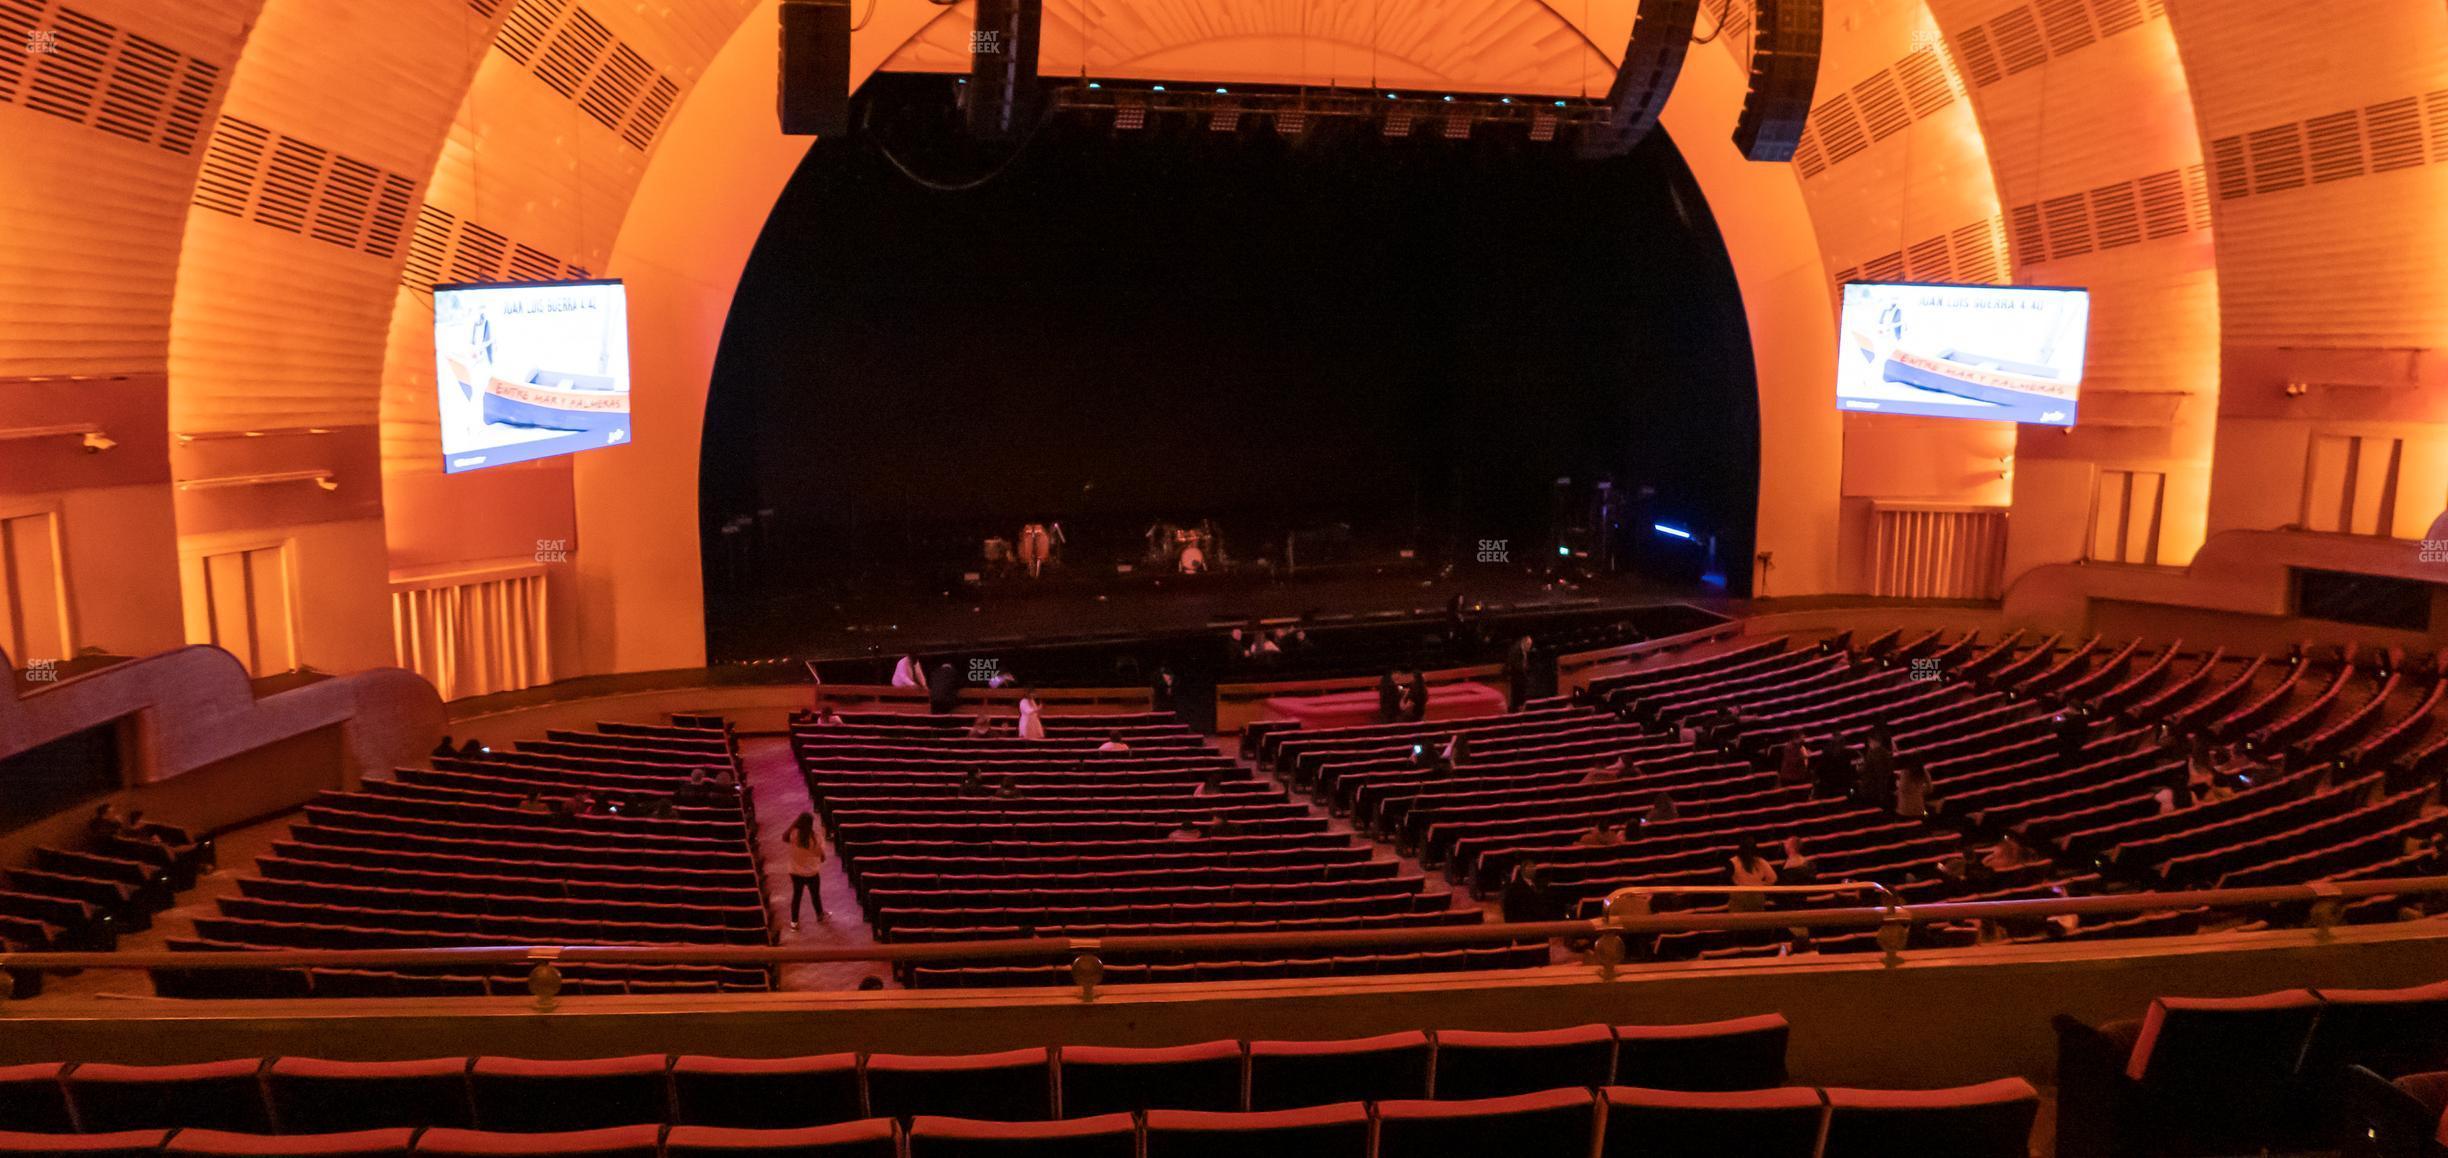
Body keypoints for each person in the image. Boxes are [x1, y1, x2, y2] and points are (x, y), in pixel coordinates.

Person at [783, 812, 827, 930]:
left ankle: (794, 922)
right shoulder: (814, 838)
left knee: (796, 897)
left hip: (795, 871)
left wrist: (794, 824)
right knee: (815, 895)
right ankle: (819, 915)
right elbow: (822, 857)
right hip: (811, 872)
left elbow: (785, 837)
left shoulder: (792, 834)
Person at [1728, 837, 1778, 912]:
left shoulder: (1733, 862)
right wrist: (1761, 885)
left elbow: (1727, 881)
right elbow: (1773, 878)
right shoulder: (1761, 862)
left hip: (1740, 895)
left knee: (1738, 921)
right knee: (1755, 921)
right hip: (1757, 895)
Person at [1503, 635, 1536, 711]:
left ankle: (1521, 707)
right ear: (1524, 642)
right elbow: (1516, 665)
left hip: (1521, 677)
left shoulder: (1523, 649)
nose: (1529, 648)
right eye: (1528, 645)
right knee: (1517, 696)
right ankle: (1518, 709)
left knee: (1522, 694)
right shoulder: (1515, 650)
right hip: (1516, 677)